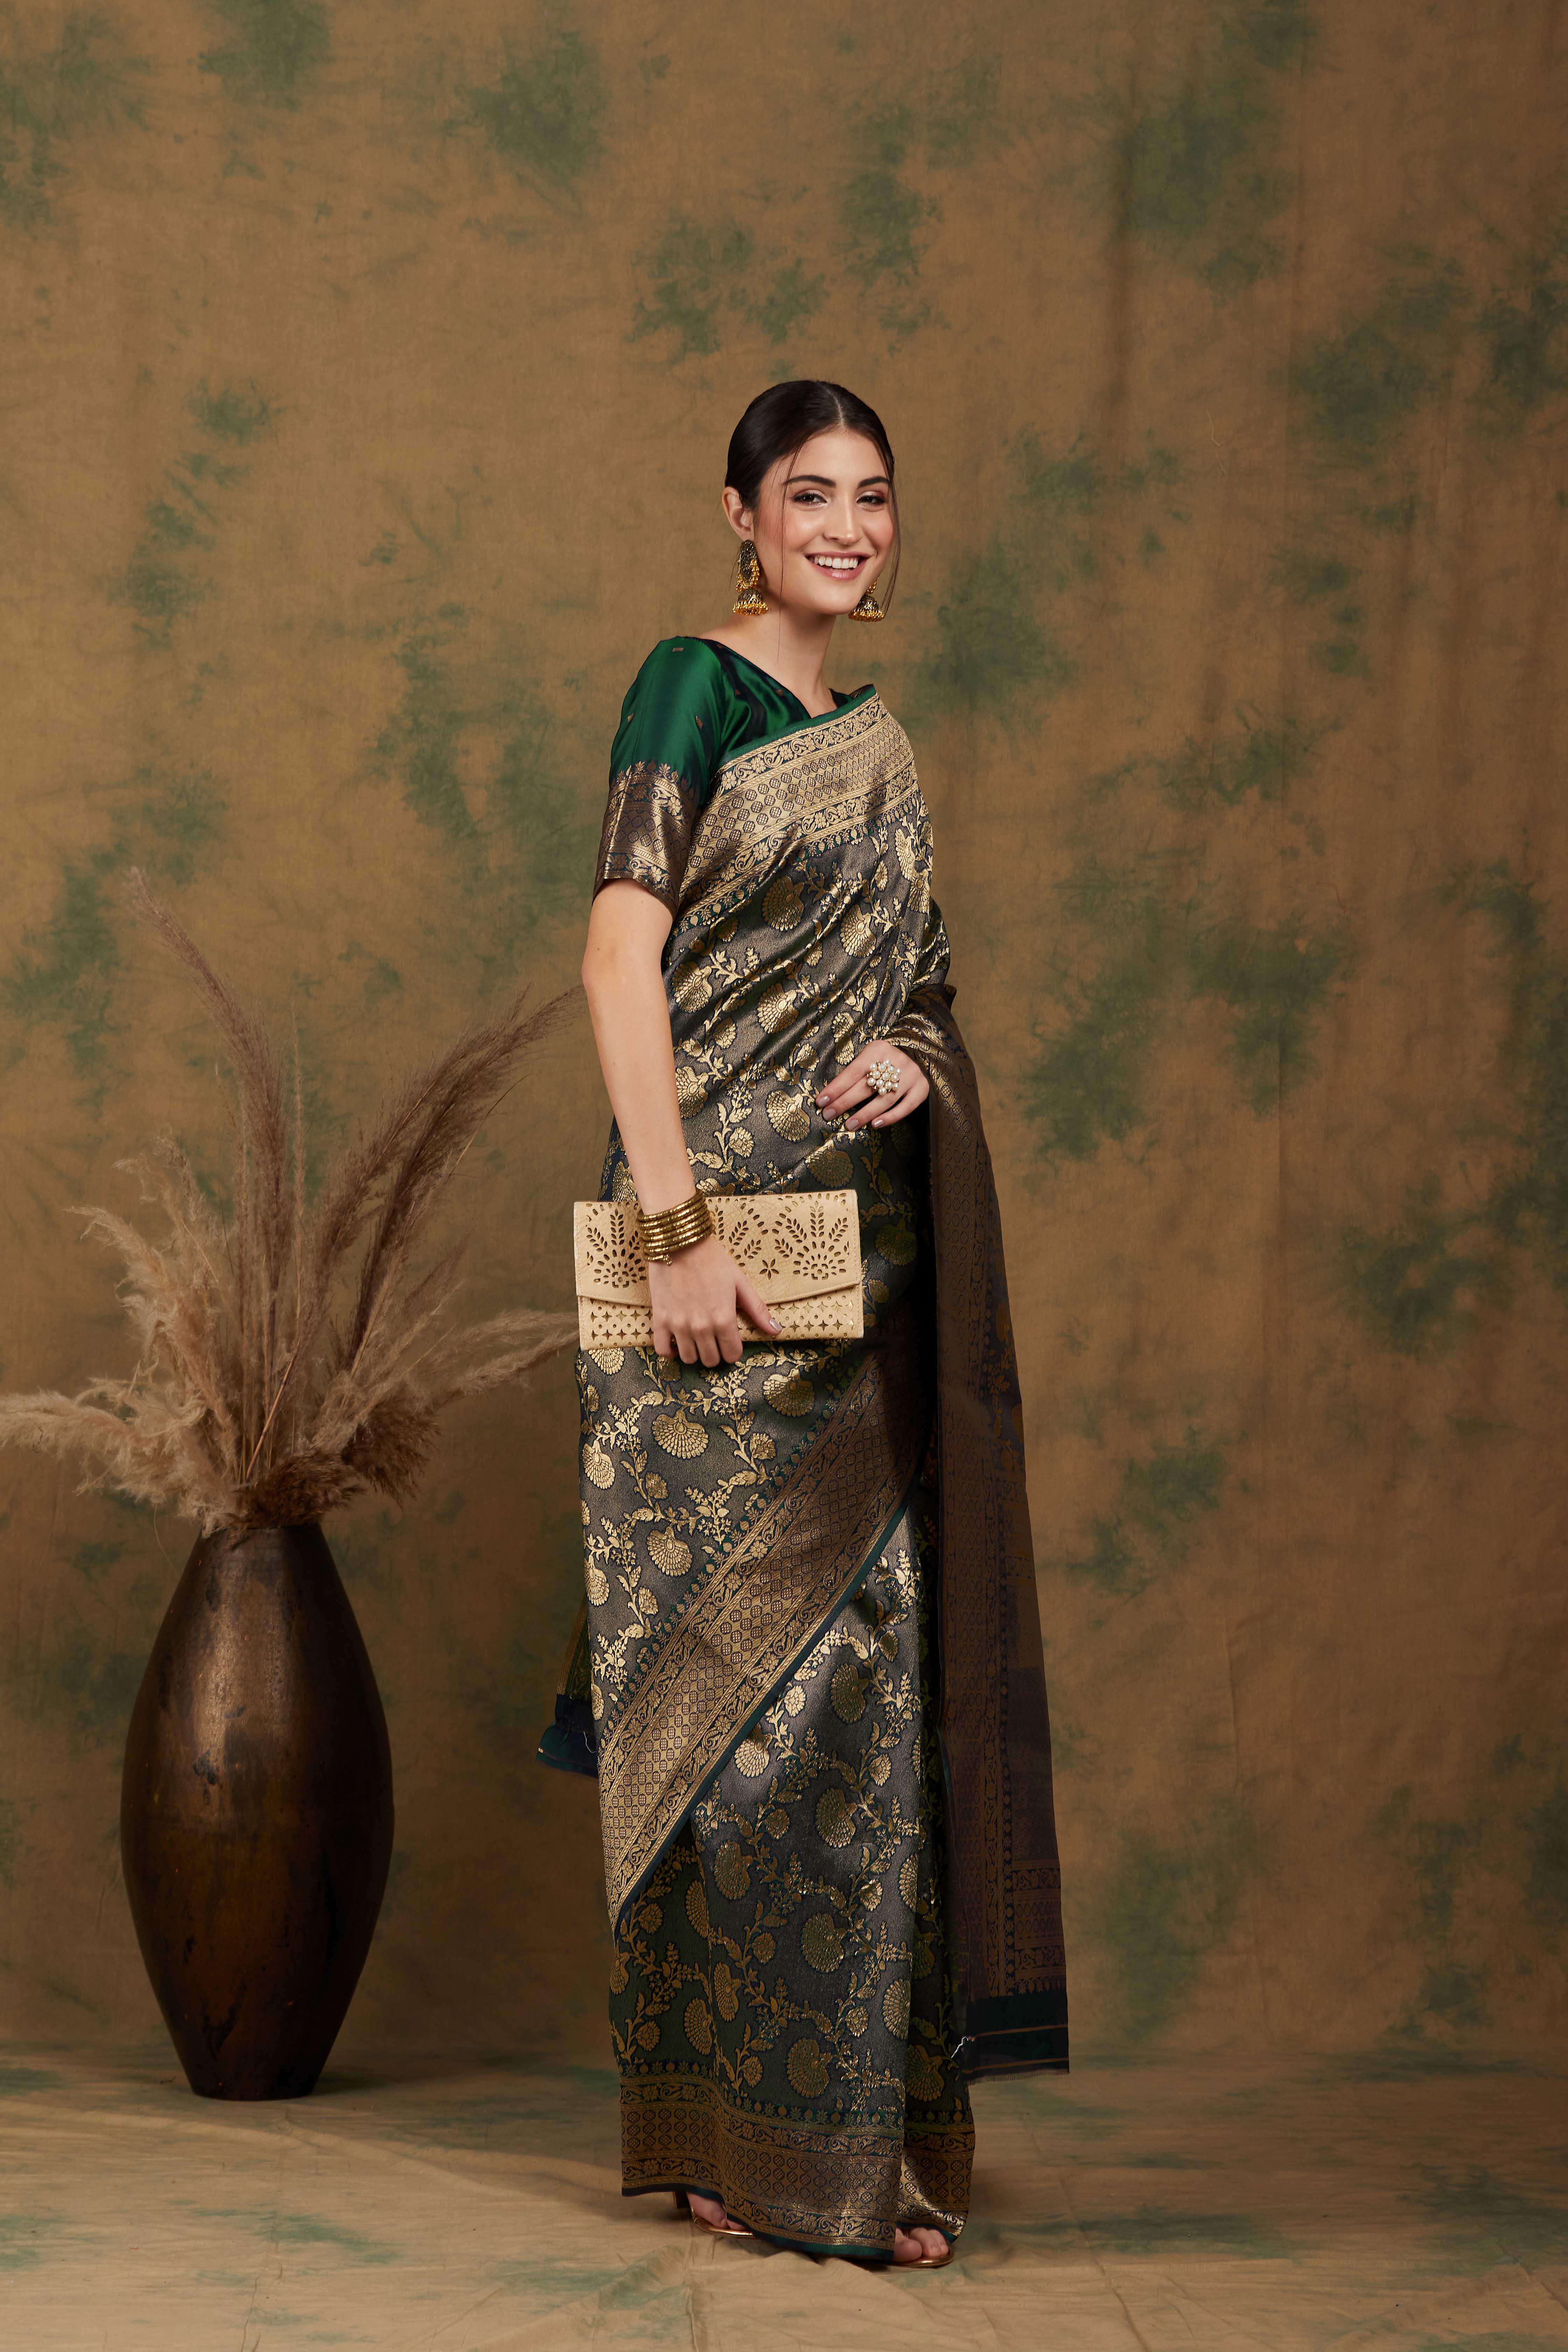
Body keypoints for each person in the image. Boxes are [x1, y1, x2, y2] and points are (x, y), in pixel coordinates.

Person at [542, 379, 1067, 2267]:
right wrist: (676, 1226)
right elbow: (617, 954)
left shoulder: (882, 750)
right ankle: (726, 2140)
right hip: (707, 1258)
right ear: (742, 517)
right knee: (718, 1712)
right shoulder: (691, 691)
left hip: (862, 1275)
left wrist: (913, 1059)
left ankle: (848, 2148)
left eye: (875, 496)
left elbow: (926, 983)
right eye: (811, 495)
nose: (848, 526)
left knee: (873, 1709)